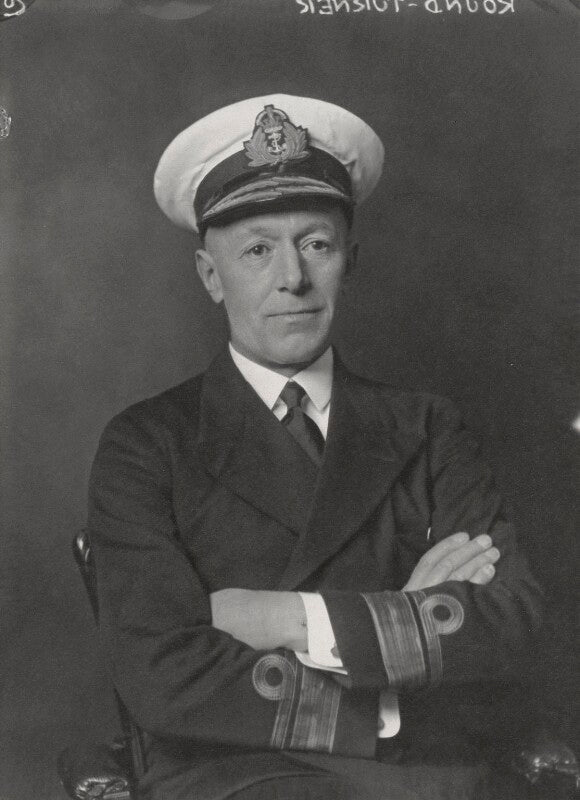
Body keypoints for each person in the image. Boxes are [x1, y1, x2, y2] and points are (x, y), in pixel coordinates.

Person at [88, 94, 544, 800]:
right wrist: (393, 640)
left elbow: (509, 622)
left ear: (349, 262)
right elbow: (162, 673)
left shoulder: (428, 427)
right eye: (258, 250)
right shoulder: (147, 444)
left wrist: (281, 618)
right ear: (210, 275)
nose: (293, 278)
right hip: (236, 773)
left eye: (316, 245)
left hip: (433, 770)